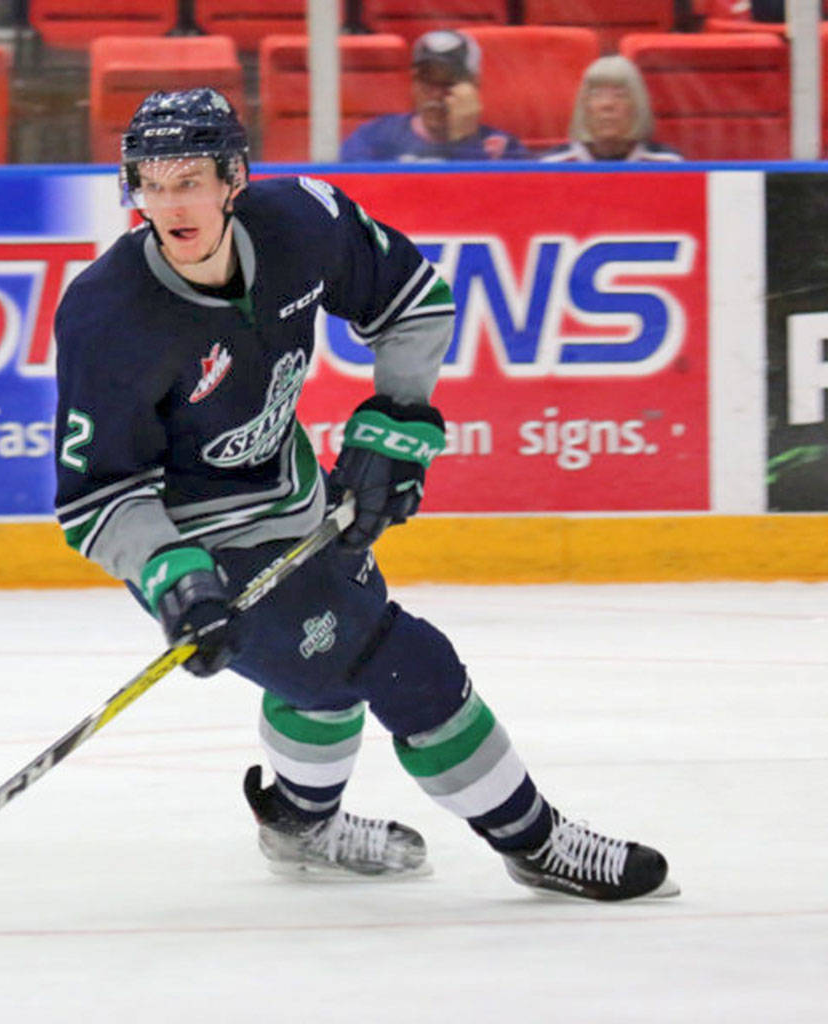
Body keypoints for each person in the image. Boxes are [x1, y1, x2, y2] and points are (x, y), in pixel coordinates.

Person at [52, 86, 678, 901]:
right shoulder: (106, 315)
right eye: (152, 182)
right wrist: (178, 578)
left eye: (191, 179)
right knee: (405, 665)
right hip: (196, 541)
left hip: (296, 495)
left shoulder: (302, 221)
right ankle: (538, 842)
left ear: (234, 178)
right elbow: (99, 498)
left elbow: (414, 300)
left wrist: (395, 424)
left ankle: (300, 825)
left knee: (322, 677)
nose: (172, 202)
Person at [340, 30, 527, 162]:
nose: (437, 94)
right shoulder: (375, 139)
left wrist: (465, 142)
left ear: (473, 86)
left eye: (449, 82)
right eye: (427, 80)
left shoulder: (502, 149)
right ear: (413, 82)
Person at [541, 56, 684, 164]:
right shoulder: (554, 165)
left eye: (620, 95)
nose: (607, 104)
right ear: (583, 107)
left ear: (638, 107)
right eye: (596, 94)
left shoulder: (666, 164)